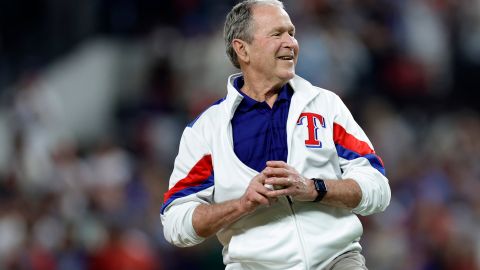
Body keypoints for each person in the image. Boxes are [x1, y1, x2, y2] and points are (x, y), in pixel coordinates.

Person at [161, 0, 391, 269]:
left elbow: (378, 187)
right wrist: (242, 204)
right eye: (277, 34)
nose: (290, 43)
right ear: (242, 49)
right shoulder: (207, 130)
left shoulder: (326, 105)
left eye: (291, 33)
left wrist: (314, 187)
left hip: (336, 259)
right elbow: (176, 222)